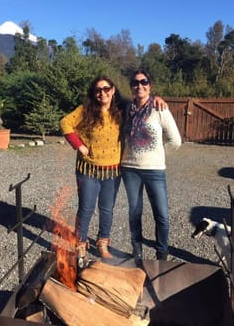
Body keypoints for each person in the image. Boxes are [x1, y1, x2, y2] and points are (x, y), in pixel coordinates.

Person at [60, 76, 123, 263]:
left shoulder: (121, 111)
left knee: (107, 209)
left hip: (112, 171)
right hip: (88, 170)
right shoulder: (85, 110)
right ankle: (80, 243)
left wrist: (157, 99)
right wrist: (78, 145)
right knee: (86, 208)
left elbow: (142, 104)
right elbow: (65, 123)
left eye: (106, 89)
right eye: (98, 90)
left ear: (112, 90)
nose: (102, 93)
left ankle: (102, 243)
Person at [121, 70, 182, 260]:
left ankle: (162, 253)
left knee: (161, 214)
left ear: (150, 85)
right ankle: (136, 249)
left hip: (154, 170)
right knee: (134, 212)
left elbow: (175, 140)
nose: (139, 86)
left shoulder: (159, 108)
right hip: (130, 169)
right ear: (131, 86)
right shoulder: (126, 108)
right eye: (135, 82)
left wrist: (159, 153)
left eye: (144, 82)